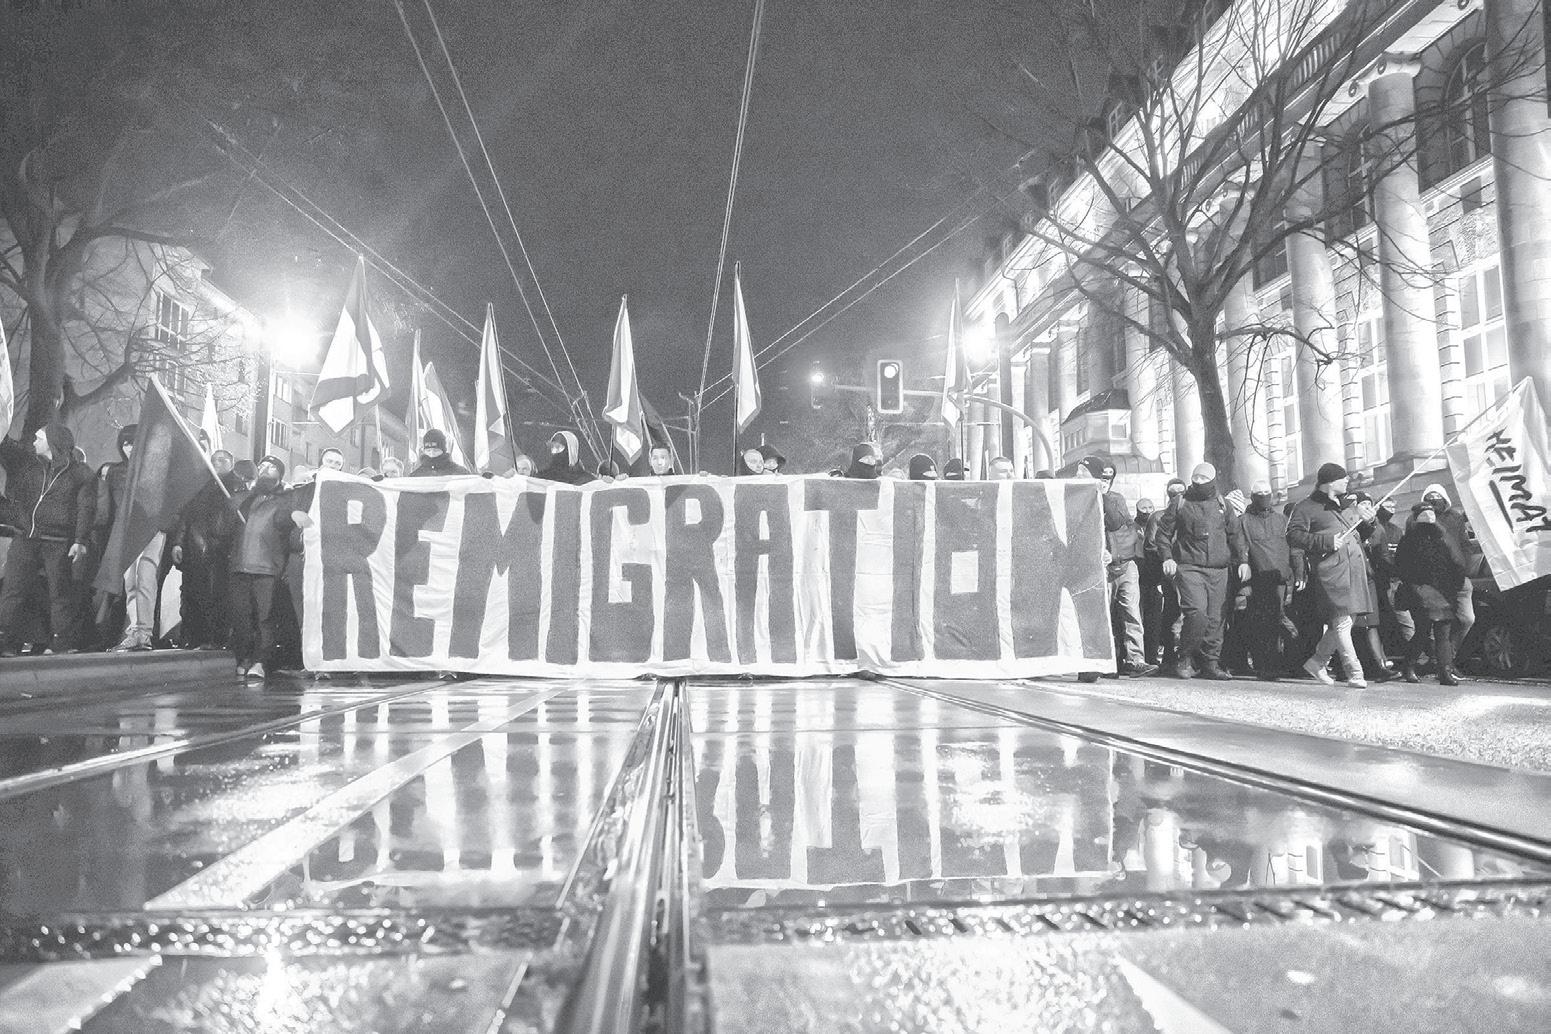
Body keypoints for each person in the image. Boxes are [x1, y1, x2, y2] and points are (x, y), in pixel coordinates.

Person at [0, 424, 96, 655]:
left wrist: (80, 540)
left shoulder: (81, 473)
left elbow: (86, 508)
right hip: (26, 538)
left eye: (39, 438)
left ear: (52, 442)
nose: (34, 442)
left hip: (58, 541)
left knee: (59, 594)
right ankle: (6, 643)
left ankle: (61, 643)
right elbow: (7, 447)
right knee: (13, 591)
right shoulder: (30, 464)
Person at [1154, 462, 1247, 680]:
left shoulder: (1223, 504)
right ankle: (1186, 656)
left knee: (1216, 618)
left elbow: (1236, 535)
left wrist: (1243, 560)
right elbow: (1163, 534)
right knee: (1196, 613)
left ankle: (1210, 662)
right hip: (1189, 567)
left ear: (1212, 480)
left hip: (1218, 569)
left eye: (1204, 479)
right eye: (1196, 478)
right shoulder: (1181, 502)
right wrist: (1167, 558)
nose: (1199, 482)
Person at [1286, 462, 1370, 688]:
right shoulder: (1306, 507)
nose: (1347, 481)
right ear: (1331, 482)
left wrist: (1368, 521)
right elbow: (1293, 535)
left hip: (1352, 570)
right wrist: (1325, 542)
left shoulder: (1341, 505)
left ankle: (1317, 662)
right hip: (1331, 572)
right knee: (1342, 621)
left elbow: (1358, 533)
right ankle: (1355, 672)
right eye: (1343, 478)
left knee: (1347, 620)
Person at [216, 456, 296, 679]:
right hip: (240, 565)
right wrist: (229, 510)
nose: (265, 469)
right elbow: (223, 531)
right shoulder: (243, 500)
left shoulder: (286, 500)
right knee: (241, 616)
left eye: (272, 467)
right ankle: (244, 657)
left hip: (267, 568)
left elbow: (289, 531)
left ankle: (262, 660)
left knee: (265, 618)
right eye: (262, 466)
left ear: (280, 475)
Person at [1081, 456, 1156, 677]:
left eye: (1108, 478)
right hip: (1098, 567)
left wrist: (1103, 497)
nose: (1105, 482)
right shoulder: (1079, 500)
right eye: (1101, 477)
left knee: (1132, 614)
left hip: (1124, 564)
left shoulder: (1115, 499)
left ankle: (1136, 659)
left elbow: (1120, 527)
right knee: (1102, 616)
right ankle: (1105, 661)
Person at [171, 449, 241, 650]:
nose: (217, 463)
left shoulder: (236, 487)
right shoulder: (201, 486)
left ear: (231, 463)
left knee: (216, 595)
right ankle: (191, 636)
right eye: (214, 460)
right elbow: (186, 517)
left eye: (222, 460)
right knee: (191, 594)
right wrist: (178, 542)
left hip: (219, 551)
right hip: (195, 549)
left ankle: (215, 637)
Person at [1408, 483, 1477, 682]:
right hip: (1431, 584)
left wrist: (1463, 569)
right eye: (1429, 497)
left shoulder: (1455, 518)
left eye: (1437, 496)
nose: (1433, 500)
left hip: (1457, 579)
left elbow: (1464, 546)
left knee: (1466, 619)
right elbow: (1410, 554)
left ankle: (1447, 659)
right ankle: (1442, 666)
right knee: (1431, 628)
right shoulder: (1414, 521)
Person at [1394, 504, 1468, 686]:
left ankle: (1413, 667)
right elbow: (1458, 563)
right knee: (1439, 634)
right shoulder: (1443, 536)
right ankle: (1444, 672)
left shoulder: (1410, 539)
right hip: (1437, 592)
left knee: (1426, 632)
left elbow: (1401, 567)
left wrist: (1414, 586)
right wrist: (1454, 586)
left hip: (1426, 592)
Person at [1238, 481, 1299, 679]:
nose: (1264, 497)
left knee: (1276, 620)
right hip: (1257, 578)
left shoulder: (1281, 520)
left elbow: (1292, 547)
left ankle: (1275, 662)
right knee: (1260, 623)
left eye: (1267, 493)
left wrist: (1295, 573)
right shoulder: (1243, 521)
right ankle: (1264, 664)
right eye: (1260, 493)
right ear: (1252, 496)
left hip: (1280, 578)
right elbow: (1241, 548)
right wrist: (1244, 581)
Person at [1134, 497, 1165, 665]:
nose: (1147, 511)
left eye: (1150, 507)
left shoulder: (1159, 526)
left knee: (1154, 618)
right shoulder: (1132, 528)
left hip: (1154, 577)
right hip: (1138, 576)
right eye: (1143, 508)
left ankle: (1151, 656)